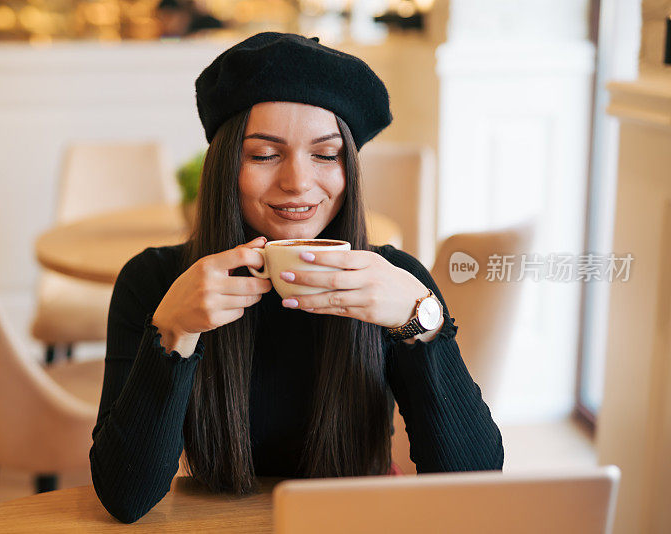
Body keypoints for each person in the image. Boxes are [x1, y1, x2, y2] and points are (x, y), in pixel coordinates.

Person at [89, 32, 504, 524]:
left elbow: (472, 484)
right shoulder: (157, 279)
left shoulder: (392, 282)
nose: (298, 182)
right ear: (226, 165)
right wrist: (174, 333)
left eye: (325, 155)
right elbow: (125, 498)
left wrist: (421, 324)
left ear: (348, 168)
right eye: (264, 154)